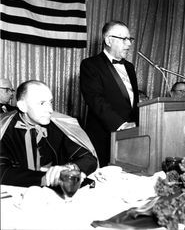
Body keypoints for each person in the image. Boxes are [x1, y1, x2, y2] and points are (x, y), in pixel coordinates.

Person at [0, 80, 97, 187]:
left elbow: (88, 159)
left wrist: (69, 168)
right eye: (42, 103)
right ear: (23, 106)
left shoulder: (58, 125)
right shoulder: (3, 127)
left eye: (50, 102)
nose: (50, 110)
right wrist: (45, 178)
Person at [80, 21, 139, 167]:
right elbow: (95, 100)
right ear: (108, 40)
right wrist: (121, 125)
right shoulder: (90, 65)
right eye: (123, 39)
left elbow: (132, 101)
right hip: (103, 136)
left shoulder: (130, 67)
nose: (129, 44)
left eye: (129, 39)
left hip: (131, 137)